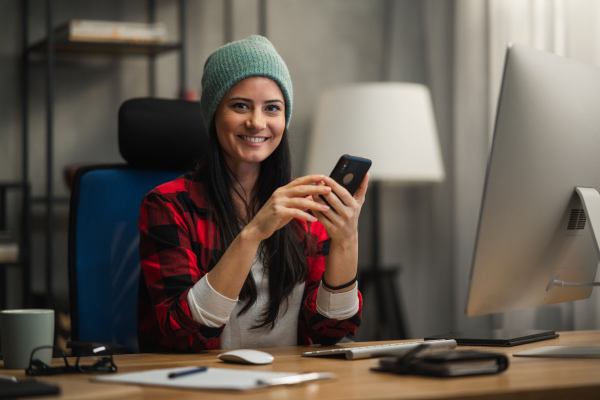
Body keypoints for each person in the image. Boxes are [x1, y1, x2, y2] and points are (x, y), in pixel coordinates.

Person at [137, 35, 369, 352]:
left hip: (290, 382)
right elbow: (184, 333)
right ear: (214, 114)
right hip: (199, 382)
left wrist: (347, 240)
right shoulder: (167, 204)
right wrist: (253, 233)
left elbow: (331, 331)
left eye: (272, 108)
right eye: (240, 106)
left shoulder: (304, 207)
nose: (257, 122)